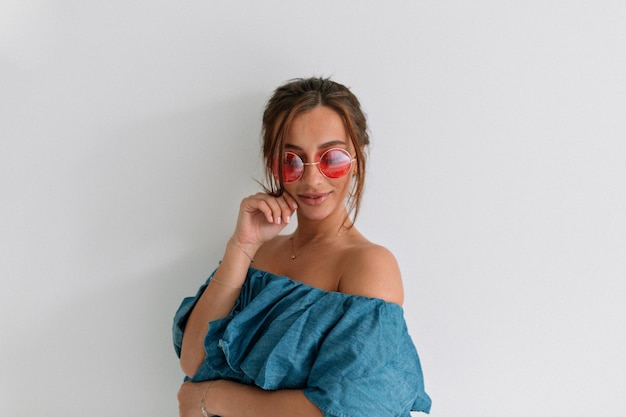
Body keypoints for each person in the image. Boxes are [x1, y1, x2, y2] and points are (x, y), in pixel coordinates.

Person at [173, 77, 431, 417]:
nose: (312, 180)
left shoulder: (367, 265)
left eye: (332, 158)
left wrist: (214, 397)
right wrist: (241, 246)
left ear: (356, 156)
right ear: (272, 163)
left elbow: (355, 410)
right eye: (292, 160)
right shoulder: (260, 253)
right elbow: (195, 360)